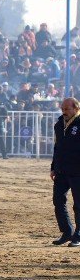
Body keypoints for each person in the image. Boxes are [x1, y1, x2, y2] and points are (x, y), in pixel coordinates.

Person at [50, 97, 80, 247]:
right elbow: (57, 148)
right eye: (62, 109)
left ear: (76, 108)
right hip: (61, 171)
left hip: (77, 171)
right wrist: (53, 167)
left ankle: (78, 235)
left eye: (67, 109)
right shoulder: (58, 125)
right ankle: (67, 232)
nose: (64, 112)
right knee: (58, 200)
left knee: (78, 204)